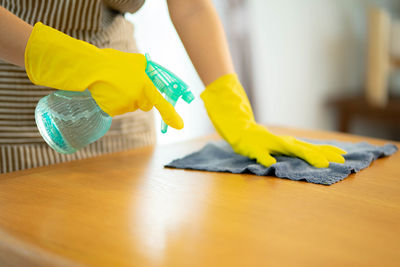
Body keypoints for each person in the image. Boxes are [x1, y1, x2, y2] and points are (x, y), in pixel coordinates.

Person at [0, 0, 346, 174]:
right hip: (13, 114)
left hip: (122, 116)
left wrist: (234, 110)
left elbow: (192, 7)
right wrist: (72, 62)